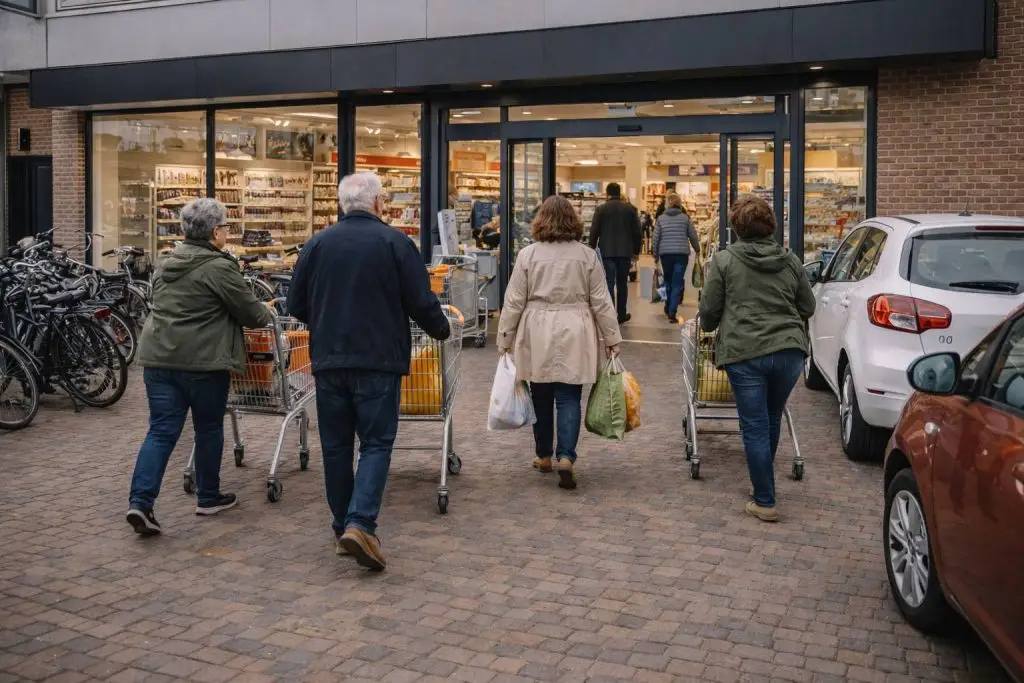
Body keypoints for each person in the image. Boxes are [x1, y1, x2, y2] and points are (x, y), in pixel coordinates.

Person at [287, 171, 451, 571]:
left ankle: (342, 525)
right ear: (377, 203)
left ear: (342, 204)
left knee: (336, 446)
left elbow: (296, 304)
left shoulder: (317, 244)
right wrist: (441, 329)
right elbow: (421, 300)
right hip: (379, 359)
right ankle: (360, 523)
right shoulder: (395, 243)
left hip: (329, 360)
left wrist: (325, 320)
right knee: (376, 443)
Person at [126, 198, 275, 535]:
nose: (227, 232)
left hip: (159, 358)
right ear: (214, 232)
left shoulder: (166, 262)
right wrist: (267, 310)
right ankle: (208, 497)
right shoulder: (219, 266)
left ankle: (140, 502)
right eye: (225, 227)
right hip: (203, 363)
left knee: (161, 431)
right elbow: (252, 314)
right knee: (208, 428)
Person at [698, 195, 815, 523]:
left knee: (754, 425)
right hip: (789, 351)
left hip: (745, 352)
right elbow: (808, 307)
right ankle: (762, 484)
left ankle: (765, 499)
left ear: (736, 228)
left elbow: (708, 314)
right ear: (771, 225)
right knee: (771, 417)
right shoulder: (791, 261)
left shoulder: (725, 261)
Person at [499, 196, 622, 490]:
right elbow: (601, 300)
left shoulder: (528, 255)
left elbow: (514, 301)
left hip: (537, 328)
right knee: (569, 396)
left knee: (540, 395)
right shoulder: (587, 256)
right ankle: (566, 456)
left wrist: (505, 338)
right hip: (576, 328)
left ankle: (543, 455)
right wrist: (612, 337)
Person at [588, 183, 642, 324]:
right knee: (622, 283)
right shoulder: (630, 209)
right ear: (620, 192)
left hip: (607, 251)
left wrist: (591, 248)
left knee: (609, 282)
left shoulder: (601, 209)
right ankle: (621, 314)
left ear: (607, 193)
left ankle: (610, 313)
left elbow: (594, 230)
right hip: (625, 252)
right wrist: (636, 251)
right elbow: (637, 232)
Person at [653, 193, 700, 324]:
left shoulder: (661, 219)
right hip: (681, 255)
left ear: (667, 204)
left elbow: (656, 238)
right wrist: (697, 248)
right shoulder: (685, 218)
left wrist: (655, 255)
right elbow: (693, 235)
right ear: (679, 204)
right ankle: (672, 311)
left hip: (665, 255)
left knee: (668, 281)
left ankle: (668, 305)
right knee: (677, 283)